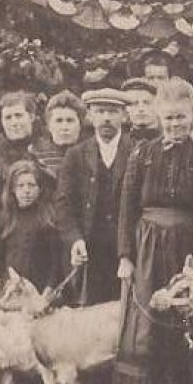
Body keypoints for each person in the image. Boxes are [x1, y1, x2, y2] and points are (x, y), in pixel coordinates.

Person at [111, 77, 193, 384]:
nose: (174, 124)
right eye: (168, 118)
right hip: (146, 250)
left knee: (186, 324)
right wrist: (125, 256)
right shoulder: (142, 154)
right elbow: (127, 208)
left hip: (186, 252)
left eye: (181, 117)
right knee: (146, 326)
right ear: (159, 118)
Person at [55, 87, 134, 306]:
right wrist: (75, 240)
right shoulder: (76, 155)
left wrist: (131, 249)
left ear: (124, 116)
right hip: (90, 250)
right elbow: (63, 205)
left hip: (127, 251)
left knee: (127, 313)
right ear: (90, 116)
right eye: (100, 111)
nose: (106, 118)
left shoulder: (138, 152)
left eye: (113, 111)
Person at [0, 159, 65, 293]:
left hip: (39, 288)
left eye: (31, 185)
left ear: (40, 189)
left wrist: (50, 287)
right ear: (12, 189)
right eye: (20, 186)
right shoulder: (4, 219)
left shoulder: (48, 219)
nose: (26, 191)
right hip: (10, 288)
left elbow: (56, 262)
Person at [0, 90, 43, 229]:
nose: (14, 122)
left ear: (32, 116)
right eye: (8, 118)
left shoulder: (44, 145)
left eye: (19, 116)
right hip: (6, 224)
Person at [32, 90, 84, 185]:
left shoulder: (90, 154)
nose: (64, 127)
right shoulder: (36, 155)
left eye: (70, 120)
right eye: (59, 121)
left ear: (80, 125)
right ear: (49, 126)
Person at [121, 77, 160, 143]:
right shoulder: (120, 142)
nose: (141, 109)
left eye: (147, 103)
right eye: (134, 103)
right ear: (126, 108)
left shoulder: (167, 139)